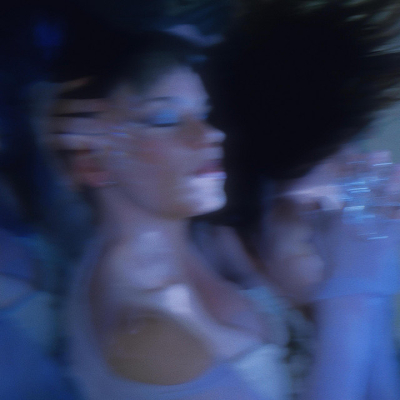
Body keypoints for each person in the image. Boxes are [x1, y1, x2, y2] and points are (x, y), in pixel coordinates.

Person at [39, 31, 294, 400]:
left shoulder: (198, 243)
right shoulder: (146, 335)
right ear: (91, 159)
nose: (210, 134)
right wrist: (352, 302)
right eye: (164, 117)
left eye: (202, 114)